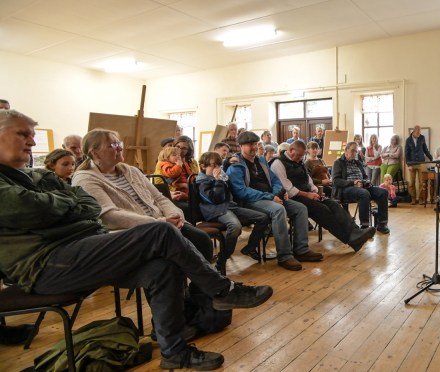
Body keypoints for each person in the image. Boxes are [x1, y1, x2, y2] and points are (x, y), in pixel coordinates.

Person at [0, 109, 273, 370]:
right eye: (23, 134)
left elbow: (88, 206)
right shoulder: (69, 178)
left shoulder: (39, 176)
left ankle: (174, 351)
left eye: (31, 134)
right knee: (161, 231)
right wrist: (66, 205)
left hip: (84, 245)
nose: (32, 141)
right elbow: (58, 208)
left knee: (162, 268)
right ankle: (223, 291)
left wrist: (62, 206)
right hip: (47, 263)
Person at [72, 129, 215, 263]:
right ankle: (212, 286)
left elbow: (159, 197)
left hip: (163, 225)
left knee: (202, 240)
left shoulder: (132, 170)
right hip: (133, 234)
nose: (120, 148)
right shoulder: (86, 179)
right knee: (175, 257)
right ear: (95, 153)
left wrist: (175, 216)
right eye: (113, 145)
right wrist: (160, 222)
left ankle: (202, 289)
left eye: (119, 143)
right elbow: (109, 215)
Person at [226, 131, 323, 271]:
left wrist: (278, 192)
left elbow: (275, 179)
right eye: (249, 145)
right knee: (278, 210)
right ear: (241, 146)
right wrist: (269, 196)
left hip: (272, 197)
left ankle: (301, 250)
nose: (253, 147)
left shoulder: (261, 161)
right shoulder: (235, 166)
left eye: (255, 144)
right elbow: (242, 192)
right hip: (251, 201)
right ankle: (284, 256)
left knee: (300, 208)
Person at [271, 140, 376, 251]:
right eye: (299, 155)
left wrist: (315, 191)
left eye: (302, 156)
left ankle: (356, 232)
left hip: (308, 194)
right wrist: (308, 195)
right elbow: (288, 188)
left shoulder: (299, 161)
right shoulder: (278, 163)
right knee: (323, 210)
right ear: (291, 150)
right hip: (293, 197)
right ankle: (350, 239)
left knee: (333, 204)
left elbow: (308, 179)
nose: (301, 158)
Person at [196, 152, 270, 271]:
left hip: (230, 207)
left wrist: (226, 163)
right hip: (216, 211)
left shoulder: (218, 176)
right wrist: (218, 181)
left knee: (262, 217)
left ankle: (250, 247)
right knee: (235, 226)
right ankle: (223, 258)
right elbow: (216, 199)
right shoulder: (202, 181)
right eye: (213, 166)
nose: (217, 169)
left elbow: (226, 172)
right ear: (204, 166)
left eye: (218, 166)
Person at [332, 142, 390, 234]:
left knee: (383, 192)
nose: (354, 153)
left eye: (356, 151)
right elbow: (336, 181)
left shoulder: (358, 163)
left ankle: (382, 224)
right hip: (346, 189)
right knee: (364, 193)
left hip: (361, 187)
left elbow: (365, 176)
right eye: (352, 151)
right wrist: (353, 183)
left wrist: (366, 182)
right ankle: (364, 226)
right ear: (346, 150)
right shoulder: (338, 163)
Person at [404, 125, 432, 205]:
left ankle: (420, 199)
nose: (419, 134)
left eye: (420, 132)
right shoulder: (408, 140)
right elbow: (406, 153)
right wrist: (408, 164)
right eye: (418, 132)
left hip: (421, 163)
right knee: (412, 182)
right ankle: (413, 198)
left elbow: (425, 149)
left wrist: (431, 158)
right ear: (414, 131)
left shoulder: (422, 138)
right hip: (411, 164)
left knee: (421, 182)